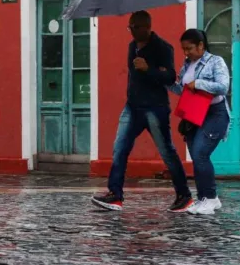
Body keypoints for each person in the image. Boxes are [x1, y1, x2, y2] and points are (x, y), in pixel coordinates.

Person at [92, 11, 193, 213]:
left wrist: (149, 69)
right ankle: (115, 196)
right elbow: (133, 76)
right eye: (129, 28)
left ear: (147, 27)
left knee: (167, 152)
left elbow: (170, 77)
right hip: (132, 107)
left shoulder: (163, 48)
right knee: (119, 148)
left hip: (155, 108)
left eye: (135, 28)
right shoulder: (132, 47)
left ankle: (184, 196)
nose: (131, 32)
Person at [169, 28, 231, 216]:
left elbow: (223, 87)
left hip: (215, 113)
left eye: (189, 48)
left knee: (200, 153)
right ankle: (204, 198)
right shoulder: (187, 65)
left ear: (201, 46)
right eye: (184, 49)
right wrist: (167, 80)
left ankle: (210, 197)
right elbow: (183, 90)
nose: (186, 53)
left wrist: (199, 83)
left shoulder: (215, 62)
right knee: (197, 157)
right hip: (194, 114)